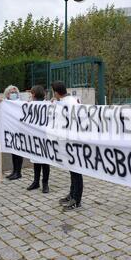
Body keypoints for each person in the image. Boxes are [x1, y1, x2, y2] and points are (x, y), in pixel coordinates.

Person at [52, 81, 84, 211]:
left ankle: (77, 199)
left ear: (56, 92)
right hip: (68, 141)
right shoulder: (66, 100)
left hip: (73, 141)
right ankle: (72, 194)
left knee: (76, 171)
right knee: (72, 170)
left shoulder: (69, 102)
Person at [26, 85, 51, 193]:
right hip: (36, 137)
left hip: (44, 137)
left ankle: (44, 183)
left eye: (31, 93)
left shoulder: (48, 105)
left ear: (34, 94)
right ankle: (36, 182)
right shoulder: (31, 105)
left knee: (44, 161)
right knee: (37, 160)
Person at [3, 85, 24, 181]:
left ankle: (18, 172)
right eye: (11, 92)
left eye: (15, 92)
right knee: (13, 152)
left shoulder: (20, 103)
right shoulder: (5, 103)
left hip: (19, 130)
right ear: (7, 94)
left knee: (18, 151)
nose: (13, 94)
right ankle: (14, 170)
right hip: (10, 130)